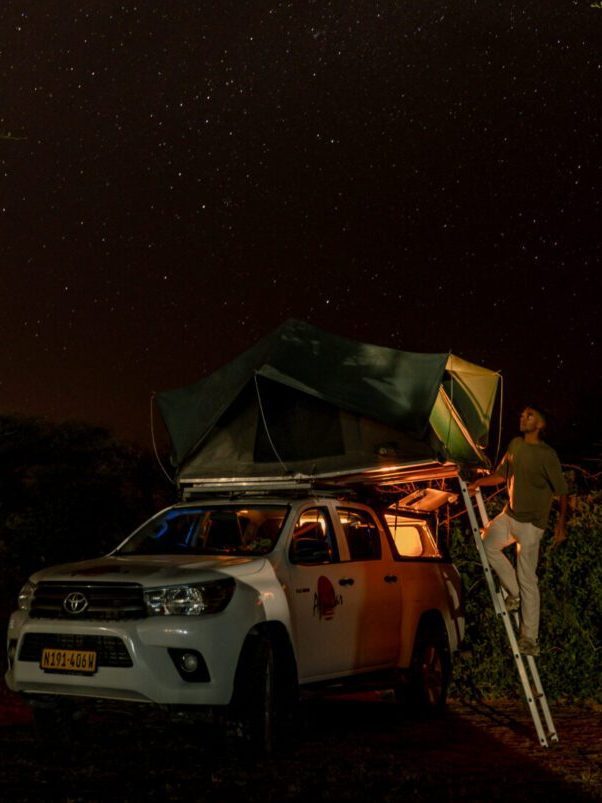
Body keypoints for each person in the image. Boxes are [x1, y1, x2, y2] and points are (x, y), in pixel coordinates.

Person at [470, 405, 568, 656]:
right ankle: (513, 592)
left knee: (528, 580)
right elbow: (502, 475)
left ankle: (529, 639)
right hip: (510, 515)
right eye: (522, 414)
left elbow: (562, 492)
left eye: (530, 415)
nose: (523, 417)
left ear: (541, 424)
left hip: (532, 525)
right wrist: (478, 482)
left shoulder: (547, 455)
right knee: (487, 543)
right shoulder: (515, 445)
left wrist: (560, 525)